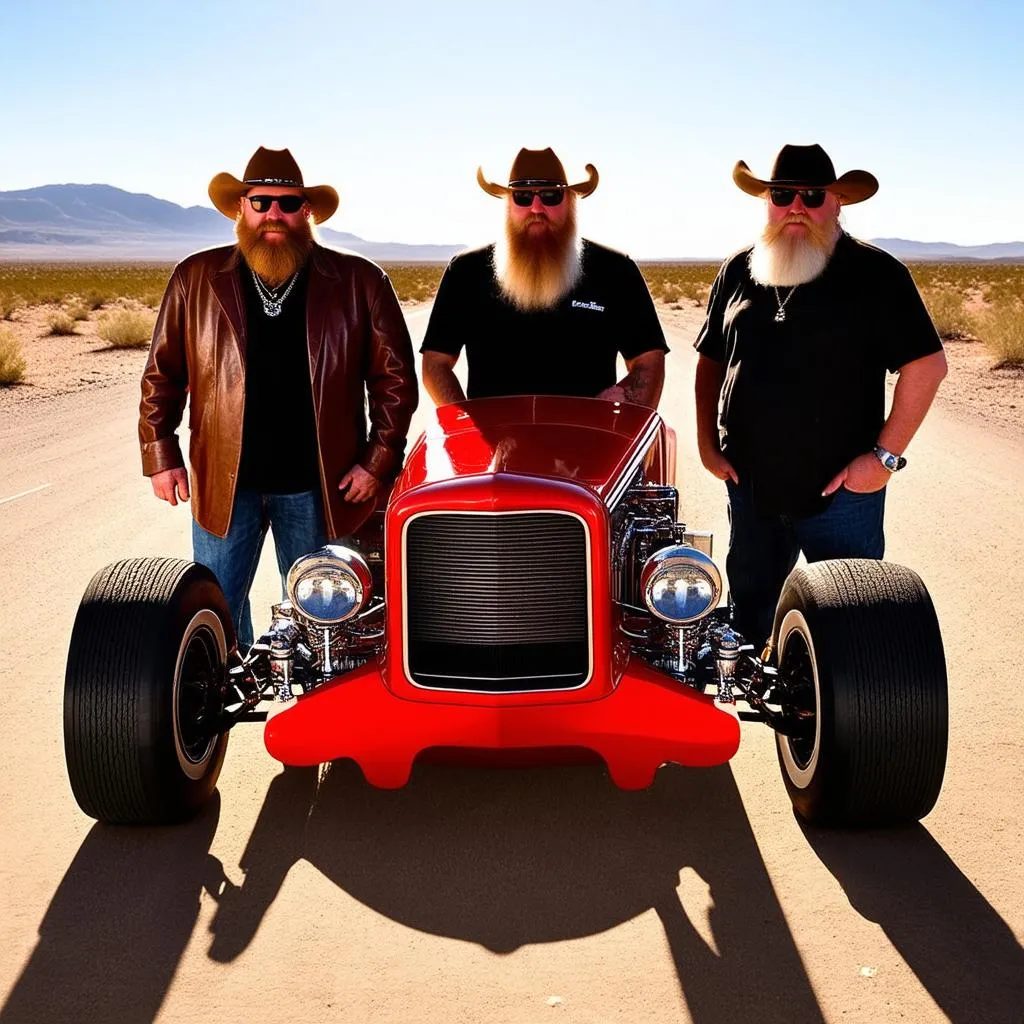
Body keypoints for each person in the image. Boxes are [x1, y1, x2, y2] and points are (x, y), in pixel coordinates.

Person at [139, 146, 418, 649]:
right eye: (261, 201)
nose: (274, 215)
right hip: (225, 487)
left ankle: (318, 715)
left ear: (306, 212)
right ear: (240, 208)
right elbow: (163, 374)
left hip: (319, 486)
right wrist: (160, 453)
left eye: (288, 204)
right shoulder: (196, 279)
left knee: (327, 613)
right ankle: (224, 705)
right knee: (216, 609)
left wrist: (378, 462)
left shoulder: (359, 282)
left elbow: (395, 381)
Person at [694, 143, 947, 646]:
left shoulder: (876, 274)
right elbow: (711, 360)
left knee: (853, 631)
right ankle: (774, 712)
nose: (795, 206)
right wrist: (706, 442)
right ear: (766, 200)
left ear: (836, 203)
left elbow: (927, 366)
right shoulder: (739, 270)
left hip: (841, 493)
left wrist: (882, 459)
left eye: (811, 195)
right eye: (782, 194)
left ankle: (847, 721)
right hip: (750, 486)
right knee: (750, 619)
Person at [421, 147, 666, 407]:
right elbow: (436, 363)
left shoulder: (615, 270)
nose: (536, 208)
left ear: (571, 201)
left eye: (551, 195)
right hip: (495, 446)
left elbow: (648, 362)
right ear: (508, 204)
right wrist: (464, 426)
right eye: (523, 196)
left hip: (589, 442)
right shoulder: (467, 271)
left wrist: (612, 410)